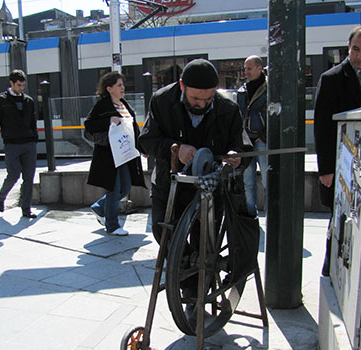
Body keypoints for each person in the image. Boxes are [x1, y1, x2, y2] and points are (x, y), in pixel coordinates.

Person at [139, 58, 251, 245]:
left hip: (210, 186)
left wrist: (236, 154)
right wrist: (175, 150)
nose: (202, 104)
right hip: (169, 184)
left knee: (206, 244)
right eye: (195, 98)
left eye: (208, 99)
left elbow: (242, 143)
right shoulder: (162, 101)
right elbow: (148, 140)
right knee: (165, 236)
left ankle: (198, 273)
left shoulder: (228, 108)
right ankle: (185, 271)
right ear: (182, 86)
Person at [314, 24, 361, 276]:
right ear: (348, 47)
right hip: (343, 163)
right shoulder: (332, 79)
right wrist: (325, 169)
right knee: (339, 223)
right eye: (356, 49)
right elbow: (322, 126)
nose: (360, 55)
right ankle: (331, 272)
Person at [85, 71, 145, 235]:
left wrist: (142, 148)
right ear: (109, 88)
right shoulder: (102, 106)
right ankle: (112, 226)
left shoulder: (124, 105)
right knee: (113, 189)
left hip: (124, 154)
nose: (122, 88)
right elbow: (89, 125)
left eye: (123, 85)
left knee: (125, 189)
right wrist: (108, 120)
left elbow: (133, 129)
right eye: (119, 85)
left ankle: (99, 207)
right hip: (108, 156)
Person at [0, 69, 38, 218]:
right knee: (13, 174)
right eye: (19, 85)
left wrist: (34, 137)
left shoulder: (29, 101)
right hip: (12, 145)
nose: (21, 88)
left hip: (29, 144)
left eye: (23, 85)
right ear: (12, 83)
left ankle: (26, 209)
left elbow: (33, 121)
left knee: (29, 177)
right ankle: (1, 196)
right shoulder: (1, 101)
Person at [237, 55, 268, 216]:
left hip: (262, 140)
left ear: (259, 68)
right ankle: (251, 215)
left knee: (267, 181)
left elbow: (273, 113)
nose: (246, 72)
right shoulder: (242, 90)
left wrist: (264, 136)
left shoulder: (269, 88)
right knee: (247, 182)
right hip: (246, 141)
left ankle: (271, 217)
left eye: (249, 68)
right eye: (245, 68)